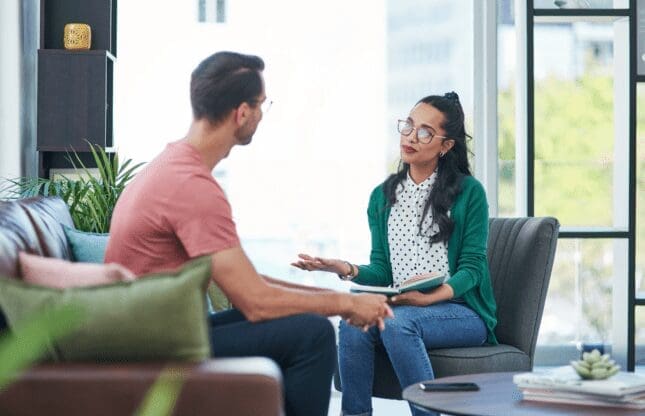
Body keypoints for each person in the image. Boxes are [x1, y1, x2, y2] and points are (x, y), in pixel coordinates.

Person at [104, 51, 393, 416]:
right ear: (242, 112)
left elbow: (246, 283)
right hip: (158, 347)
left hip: (165, 331)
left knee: (305, 320)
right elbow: (255, 301)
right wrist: (346, 304)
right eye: (262, 105)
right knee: (313, 335)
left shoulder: (173, 165)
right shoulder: (191, 185)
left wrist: (338, 299)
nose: (261, 114)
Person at [292, 92, 498, 416]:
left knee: (398, 324)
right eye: (409, 126)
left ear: (445, 146)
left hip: (460, 310)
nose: (412, 137)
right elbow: (383, 271)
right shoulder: (382, 197)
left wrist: (427, 299)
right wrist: (345, 268)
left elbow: (472, 269)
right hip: (404, 305)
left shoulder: (469, 192)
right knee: (352, 322)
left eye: (426, 132)